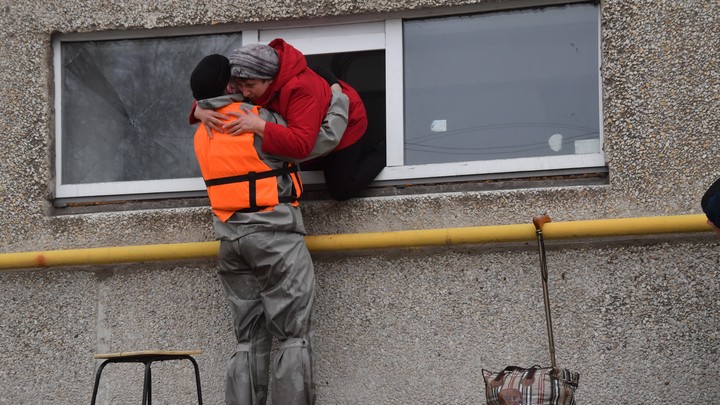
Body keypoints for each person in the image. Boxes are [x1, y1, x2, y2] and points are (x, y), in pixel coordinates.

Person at [190, 54, 330, 405]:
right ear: (228, 86)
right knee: (292, 336)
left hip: (230, 243)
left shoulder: (201, 132)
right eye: (234, 79)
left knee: (247, 341)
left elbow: (204, 108)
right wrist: (338, 99)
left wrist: (196, 109)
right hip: (274, 239)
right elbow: (307, 141)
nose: (240, 84)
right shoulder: (259, 119)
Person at [194, 39, 386, 201]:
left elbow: (302, 145)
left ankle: (383, 150)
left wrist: (260, 126)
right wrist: (199, 110)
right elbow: (217, 93)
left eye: (250, 86)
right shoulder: (254, 66)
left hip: (346, 121)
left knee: (341, 188)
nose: (244, 93)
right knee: (312, 164)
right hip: (311, 121)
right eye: (239, 85)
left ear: (269, 79)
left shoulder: (299, 90)